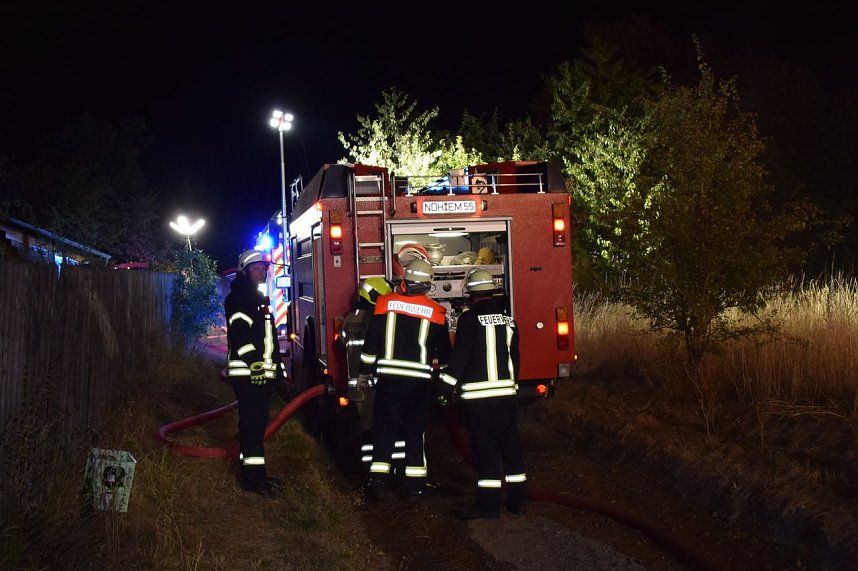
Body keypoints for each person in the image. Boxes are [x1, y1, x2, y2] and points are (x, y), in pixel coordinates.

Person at [358, 259, 452, 500]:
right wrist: (446, 385)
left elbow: (371, 345)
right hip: (419, 384)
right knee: (415, 432)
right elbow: (445, 356)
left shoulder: (384, 304)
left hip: (389, 380)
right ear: (428, 285)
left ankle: (377, 483)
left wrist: (364, 373)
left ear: (404, 282)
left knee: (384, 429)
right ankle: (416, 487)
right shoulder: (438, 313)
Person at [438, 268, 526, 519]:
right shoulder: (509, 320)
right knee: (511, 449)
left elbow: (460, 359)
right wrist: (513, 386)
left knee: (485, 451)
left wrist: (444, 389)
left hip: (480, 400)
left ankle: (488, 507)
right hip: (507, 396)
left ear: (470, 294)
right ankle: (518, 502)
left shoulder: (468, 320)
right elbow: (515, 358)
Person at [225, 249, 286, 497]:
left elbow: (267, 339)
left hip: (258, 373)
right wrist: (255, 364)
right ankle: (253, 481)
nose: (262, 271)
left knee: (256, 425)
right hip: (249, 373)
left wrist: (278, 369)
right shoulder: (240, 297)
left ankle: (257, 475)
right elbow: (240, 335)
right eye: (257, 268)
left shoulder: (256, 296)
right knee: (252, 425)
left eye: (264, 267)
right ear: (245, 270)